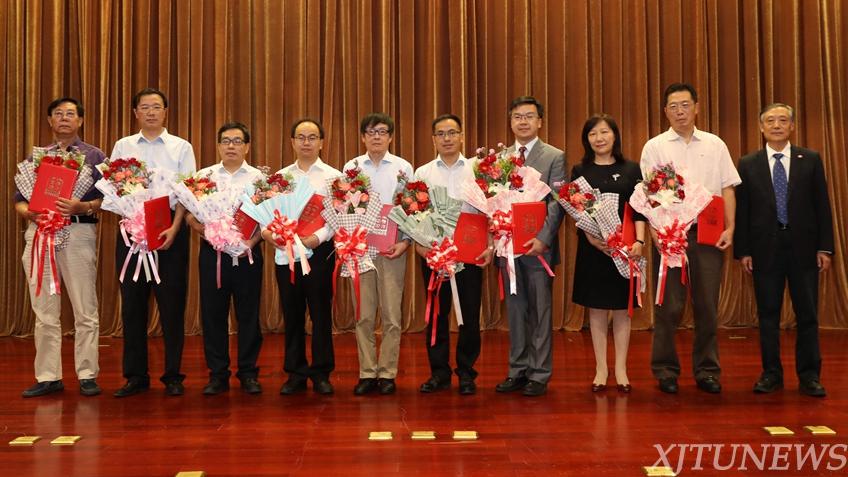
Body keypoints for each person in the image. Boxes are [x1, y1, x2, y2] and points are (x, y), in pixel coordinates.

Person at [639, 83, 740, 394]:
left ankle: (707, 370)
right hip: (669, 236)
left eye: (685, 105)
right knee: (669, 306)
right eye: (673, 106)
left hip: (708, 234)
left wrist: (730, 228)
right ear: (665, 111)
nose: (680, 111)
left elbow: (727, 187)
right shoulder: (655, 147)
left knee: (707, 305)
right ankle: (665, 370)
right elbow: (649, 195)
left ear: (696, 107)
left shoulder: (715, 144)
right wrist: (655, 233)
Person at [734, 103, 834, 397]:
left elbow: (822, 206)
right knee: (767, 314)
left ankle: (810, 375)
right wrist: (744, 251)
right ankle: (771, 374)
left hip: (804, 248)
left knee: (807, 314)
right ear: (761, 127)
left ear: (792, 126)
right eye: (770, 121)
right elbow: (743, 211)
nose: (776, 125)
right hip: (765, 249)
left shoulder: (810, 159)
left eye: (782, 120)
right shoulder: (748, 163)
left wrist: (825, 248)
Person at [15, 97, 105, 397]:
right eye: (58, 113)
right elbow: (19, 200)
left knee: (85, 307)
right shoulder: (36, 158)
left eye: (70, 113)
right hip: (40, 235)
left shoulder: (94, 156)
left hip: (78, 232)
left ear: (80, 120)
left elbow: (108, 198)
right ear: (50, 121)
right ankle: (48, 376)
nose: (64, 118)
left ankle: (87, 374)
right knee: (44, 309)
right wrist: (30, 213)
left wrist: (84, 205)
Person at [110, 88, 196, 397]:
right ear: (135, 113)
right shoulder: (123, 146)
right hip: (131, 231)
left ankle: (173, 375)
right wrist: (130, 221)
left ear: (165, 111)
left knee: (172, 304)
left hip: (169, 228)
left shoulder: (181, 147)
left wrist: (175, 228)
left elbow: (188, 191)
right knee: (132, 305)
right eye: (144, 107)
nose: (150, 112)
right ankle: (135, 376)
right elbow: (115, 187)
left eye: (156, 106)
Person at [413, 114, 493, 395]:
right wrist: (420, 246)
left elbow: (491, 209)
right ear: (433, 139)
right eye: (441, 133)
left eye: (452, 132)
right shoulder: (423, 173)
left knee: (469, 314)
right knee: (437, 314)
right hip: (434, 253)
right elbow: (414, 213)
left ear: (461, 136)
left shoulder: (477, 169)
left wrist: (490, 244)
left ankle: (467, 372)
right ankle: (439, 372)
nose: (447, 138)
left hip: (469, 252)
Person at [185, 122, 264, 395]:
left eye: (237, 141)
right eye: (226, 141)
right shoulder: (203, 177)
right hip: (213, 254)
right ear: (218, 145)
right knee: (213, 314)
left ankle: (248, 372)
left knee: (249, 314)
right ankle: (217, 374)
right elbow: (189, 215)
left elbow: (268, 219)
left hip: (248, 253)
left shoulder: (258, 179)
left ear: (247, 146)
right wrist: (206, 231)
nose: (231, 146)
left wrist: (251, 242)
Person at [494, 96, 566, 397]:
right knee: (515, 311)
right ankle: (518, 370)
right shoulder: (500, 159)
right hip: (508, 247)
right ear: (510, 122)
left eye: (529, 116)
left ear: (540, 121)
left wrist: (543, 238)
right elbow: (492, 200)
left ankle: (539, 373)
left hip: (539, 249)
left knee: (540, 311)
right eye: (517, 116)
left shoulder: (554, 156)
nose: (523, 121)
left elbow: (557, 202)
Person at [263, 118, 340, 395]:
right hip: (287, 255)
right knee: (292, 314)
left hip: (319, 253)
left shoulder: (333, 177)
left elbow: (339, 216)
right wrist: (270, 234)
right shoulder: (280, 178)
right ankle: (295, 372)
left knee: (320, 314)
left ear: (321, 142)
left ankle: (321, 372)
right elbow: (267, 214)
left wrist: (316, 238)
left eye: (312, 137)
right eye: (301, 137)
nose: (306, 142)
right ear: (292, 142)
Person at [570, 114, 646, 394]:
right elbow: (576, 210)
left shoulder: (631, 169)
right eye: (592, 134)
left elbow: (639, 209)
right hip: (594, 250)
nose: (599, 138)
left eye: (604, 132)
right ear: (586, 139)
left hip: (625, 249)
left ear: (615, 135)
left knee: (623, 310)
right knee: (597, 309)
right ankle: (601, 368)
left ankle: (622, 369)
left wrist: (639, 241)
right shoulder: (580, 171)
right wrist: (591, 237)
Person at [343, 113, 413, 396]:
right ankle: (367, 372)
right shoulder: (351, 168)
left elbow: (411, 208)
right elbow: (343, 207)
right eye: (371, 132)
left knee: (392, 314)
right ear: (362, 137)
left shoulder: (403, 168)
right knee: (364, 314)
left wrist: (405, 242)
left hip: (392, 247)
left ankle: (387, 373)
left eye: (382, 131)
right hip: (360, 248)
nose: (376, 136)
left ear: (390, 137)